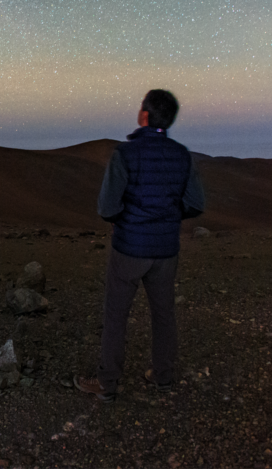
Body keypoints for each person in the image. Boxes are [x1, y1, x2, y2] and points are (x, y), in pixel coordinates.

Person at [75, 89, 204, 402]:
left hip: (129, 249)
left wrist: (128, 219)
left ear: (144, 115)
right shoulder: (181, 155)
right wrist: (169, 216)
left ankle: (108, 384)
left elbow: (106, 208)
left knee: (116, 315)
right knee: (163, 314)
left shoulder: (125, 154)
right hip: (165, 251)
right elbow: (195, 203)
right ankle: (163, 377)